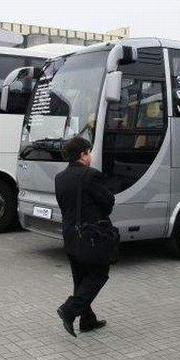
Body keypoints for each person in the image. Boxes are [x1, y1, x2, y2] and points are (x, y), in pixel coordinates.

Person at [55, 136, 115, 337]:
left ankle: (87, 320)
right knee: (100, 272)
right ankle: (69, 309)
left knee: (80, 277)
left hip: (70, 233)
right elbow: (108, 203)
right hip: (90, 235)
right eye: (88, 152)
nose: (90, 156)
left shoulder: (60, 178)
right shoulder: (91, 176)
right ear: (83, 154)